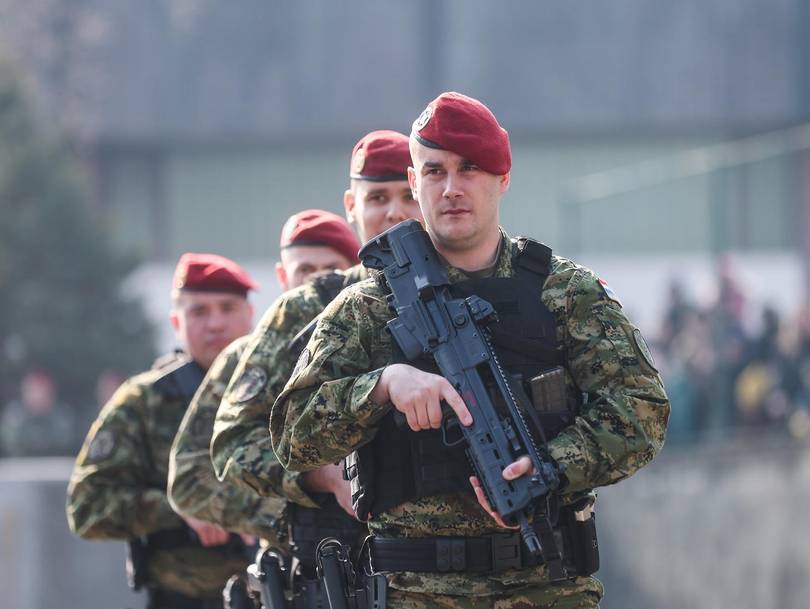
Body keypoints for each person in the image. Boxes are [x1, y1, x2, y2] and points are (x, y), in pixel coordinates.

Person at [269, 92, 671, 609]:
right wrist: (383, 386)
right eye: (434, 171)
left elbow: (643, 410)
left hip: (545, 586)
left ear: (502, 178)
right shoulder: (366, 306)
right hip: (415, 592)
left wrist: (550, 466)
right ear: (414, 183)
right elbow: (292, 436)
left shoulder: (565, 293)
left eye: (470, 169)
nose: (452, 188)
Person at [210, 130, 421, 503]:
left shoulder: (467, 294)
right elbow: (233, 443)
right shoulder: (305, 308)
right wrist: (319, 477)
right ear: (351, 206)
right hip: (334, 548)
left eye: (408, 196)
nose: (395, 212)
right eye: (377, 198)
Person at [67, 253, 258, 609]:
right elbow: (87, 507)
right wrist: (181, 508)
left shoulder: (279, 389)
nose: (215, 323)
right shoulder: (143, 402)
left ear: (250, 315)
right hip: (183, 598)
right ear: (176, 322)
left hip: (279, 592)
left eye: (227, 308)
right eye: (199, 312)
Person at [167, 210, 361, 547]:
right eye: (305, 270)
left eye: (330, 270)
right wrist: (286, 514)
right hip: (303, 560)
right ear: (283, 277)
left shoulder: (375, 340)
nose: (316, 282)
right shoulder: (248, 357)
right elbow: (189, 479)